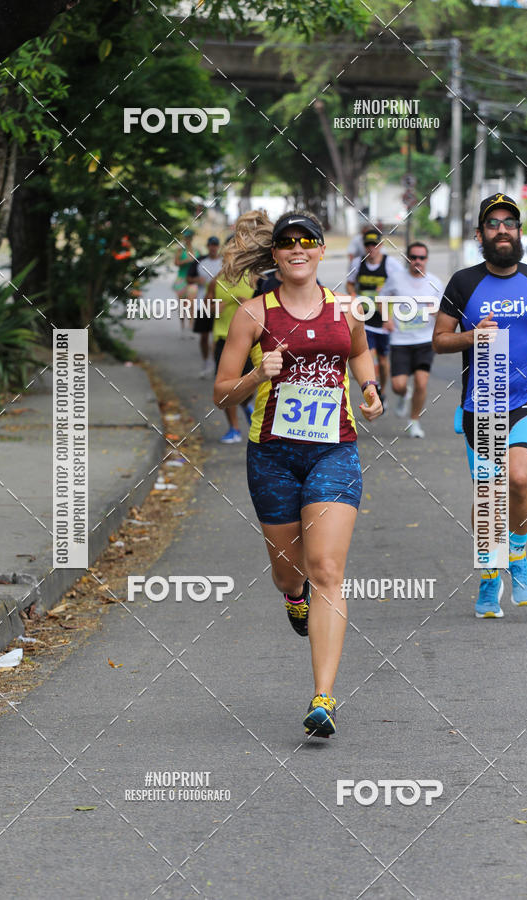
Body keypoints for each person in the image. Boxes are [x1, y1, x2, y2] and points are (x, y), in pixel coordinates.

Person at [214, 209, 383, 737]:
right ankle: (293, 596)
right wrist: (253, 376)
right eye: (288, 242)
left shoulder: (346, 308)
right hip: (273, 456)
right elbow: (220, 393)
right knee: (290, 573)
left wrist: (370, 389)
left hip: (335, 451)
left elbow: (360, 354)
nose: (298, 249)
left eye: (307, 241)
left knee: (326, 567)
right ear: (276, 254)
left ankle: (323, 698)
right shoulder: (252, 314)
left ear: (321, 251)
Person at [433, 193, 527, 618]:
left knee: (519, 479)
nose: (502, 229)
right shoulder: (463, 283)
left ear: (519, 231)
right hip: (482, 404)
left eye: (510, 222)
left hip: (526, 398)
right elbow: (439, 340)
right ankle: (490, 576)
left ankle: (518, 554)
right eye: (493, 224)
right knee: (489, 493)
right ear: (480, 235)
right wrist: (471, 336)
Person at [382, 241, 443, 438]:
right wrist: (386, 318)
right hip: (400, 340)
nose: (418, 261)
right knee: (398, 385)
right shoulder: (396, 279)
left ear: (427, 259)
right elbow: (382, 299)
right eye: (413, 257)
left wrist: (436, 312)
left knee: (421, 383)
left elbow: (445, 311)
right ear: (408, 259)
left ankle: (414, 422)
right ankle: (403, 395)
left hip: (425, 340)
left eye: (421, 257)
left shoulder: (435, 282)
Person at [346, 228, 402, 404]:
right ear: (364, 246)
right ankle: (373, 394)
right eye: (368, 245)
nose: (371, 249)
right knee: (369, 356)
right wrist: (353, 296)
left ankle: (382, 392)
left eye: (375, 245)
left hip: (384, 320)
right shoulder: (357, 263)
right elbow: (349, 283)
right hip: (365, 319)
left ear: (381, 245)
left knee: (384, 362)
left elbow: (401, 287)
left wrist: (387, 293)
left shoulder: (391, 264)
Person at [208, 268, 255, 443]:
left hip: (249, 340)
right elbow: (204, 309)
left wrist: (249, 304)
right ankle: (234, 428)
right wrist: (214, 308)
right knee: (227, 386)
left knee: (250, 385)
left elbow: (266, 307)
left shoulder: (252, 278)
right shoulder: (216, 280)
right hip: (223, 338)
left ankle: (245, 404)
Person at [188, 236, 223, 376]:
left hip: (219, 303)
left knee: (216, 336)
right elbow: (188, 278)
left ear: (218, 247)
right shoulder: (200, 261)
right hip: (202, 303)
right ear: (208, 246)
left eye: (215, 245)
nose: (213, 248)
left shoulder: (224, 262)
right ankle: (205, 361)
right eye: (211, 245)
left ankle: (215, 363)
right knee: (204, 336)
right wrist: (197, 279)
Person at [173, 228, 195, 335]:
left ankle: (190, 327)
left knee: (191, 304)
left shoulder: (196, 250)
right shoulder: (180, 250)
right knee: (182, 305)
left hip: (192, 280)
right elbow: (176, 263)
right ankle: (182, 327)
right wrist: (186, 260)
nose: (188, 239)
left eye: (189, 237)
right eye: (186, 237)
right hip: (181, 279)